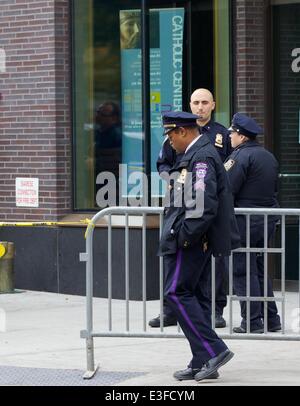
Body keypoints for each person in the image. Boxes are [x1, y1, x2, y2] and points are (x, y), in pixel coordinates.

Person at [158, 111, 239, 381]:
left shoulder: (201, 156)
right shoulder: (196, 152)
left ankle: (213, 349)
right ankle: (201, 359)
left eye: (170, 135)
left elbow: (203, 204)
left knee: (176, 292)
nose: (169, 141)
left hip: (191, 240)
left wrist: (185, 236)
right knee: (193, 296)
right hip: (193, 238)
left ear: (183, 132)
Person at [150, 89, 231, 328]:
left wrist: (187, 234)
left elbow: (221, 172)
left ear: (213, 105)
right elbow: (163, 164)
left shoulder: (220, 136)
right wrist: (176, 180)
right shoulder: (174, 136)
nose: (200, 107)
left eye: (205, 102)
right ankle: (170, 310)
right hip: (179, 207)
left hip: (200, 215)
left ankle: (214, 311)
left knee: (211, 269)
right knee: (172, 268)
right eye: (196, 102)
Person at [224, 112, 282, 333]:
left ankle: (252, 321)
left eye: (233, 134)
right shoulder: (268, 156)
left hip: (244, 220)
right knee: (258, 268)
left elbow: (228, 189)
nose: (230, 137)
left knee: (242, 270)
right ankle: (271, 319)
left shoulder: (238, 157)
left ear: (242, 136)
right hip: (265, 219)